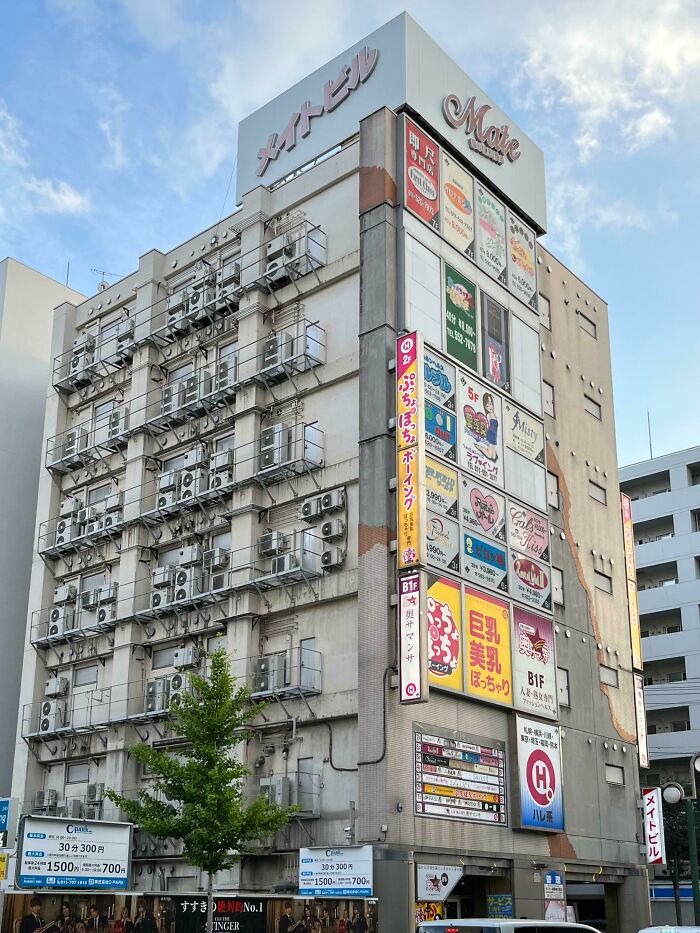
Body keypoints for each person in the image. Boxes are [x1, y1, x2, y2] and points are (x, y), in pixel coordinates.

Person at [473, 392, 499, 462]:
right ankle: (479, 447)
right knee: (490, 455)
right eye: (487, 406)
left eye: (490, 404)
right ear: (485, 407)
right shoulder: (488, 415)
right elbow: (487, 425)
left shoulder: (494, 415)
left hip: (494, 435)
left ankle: (483, 448)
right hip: (490, 434)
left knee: (494, 456)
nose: (490, 407)